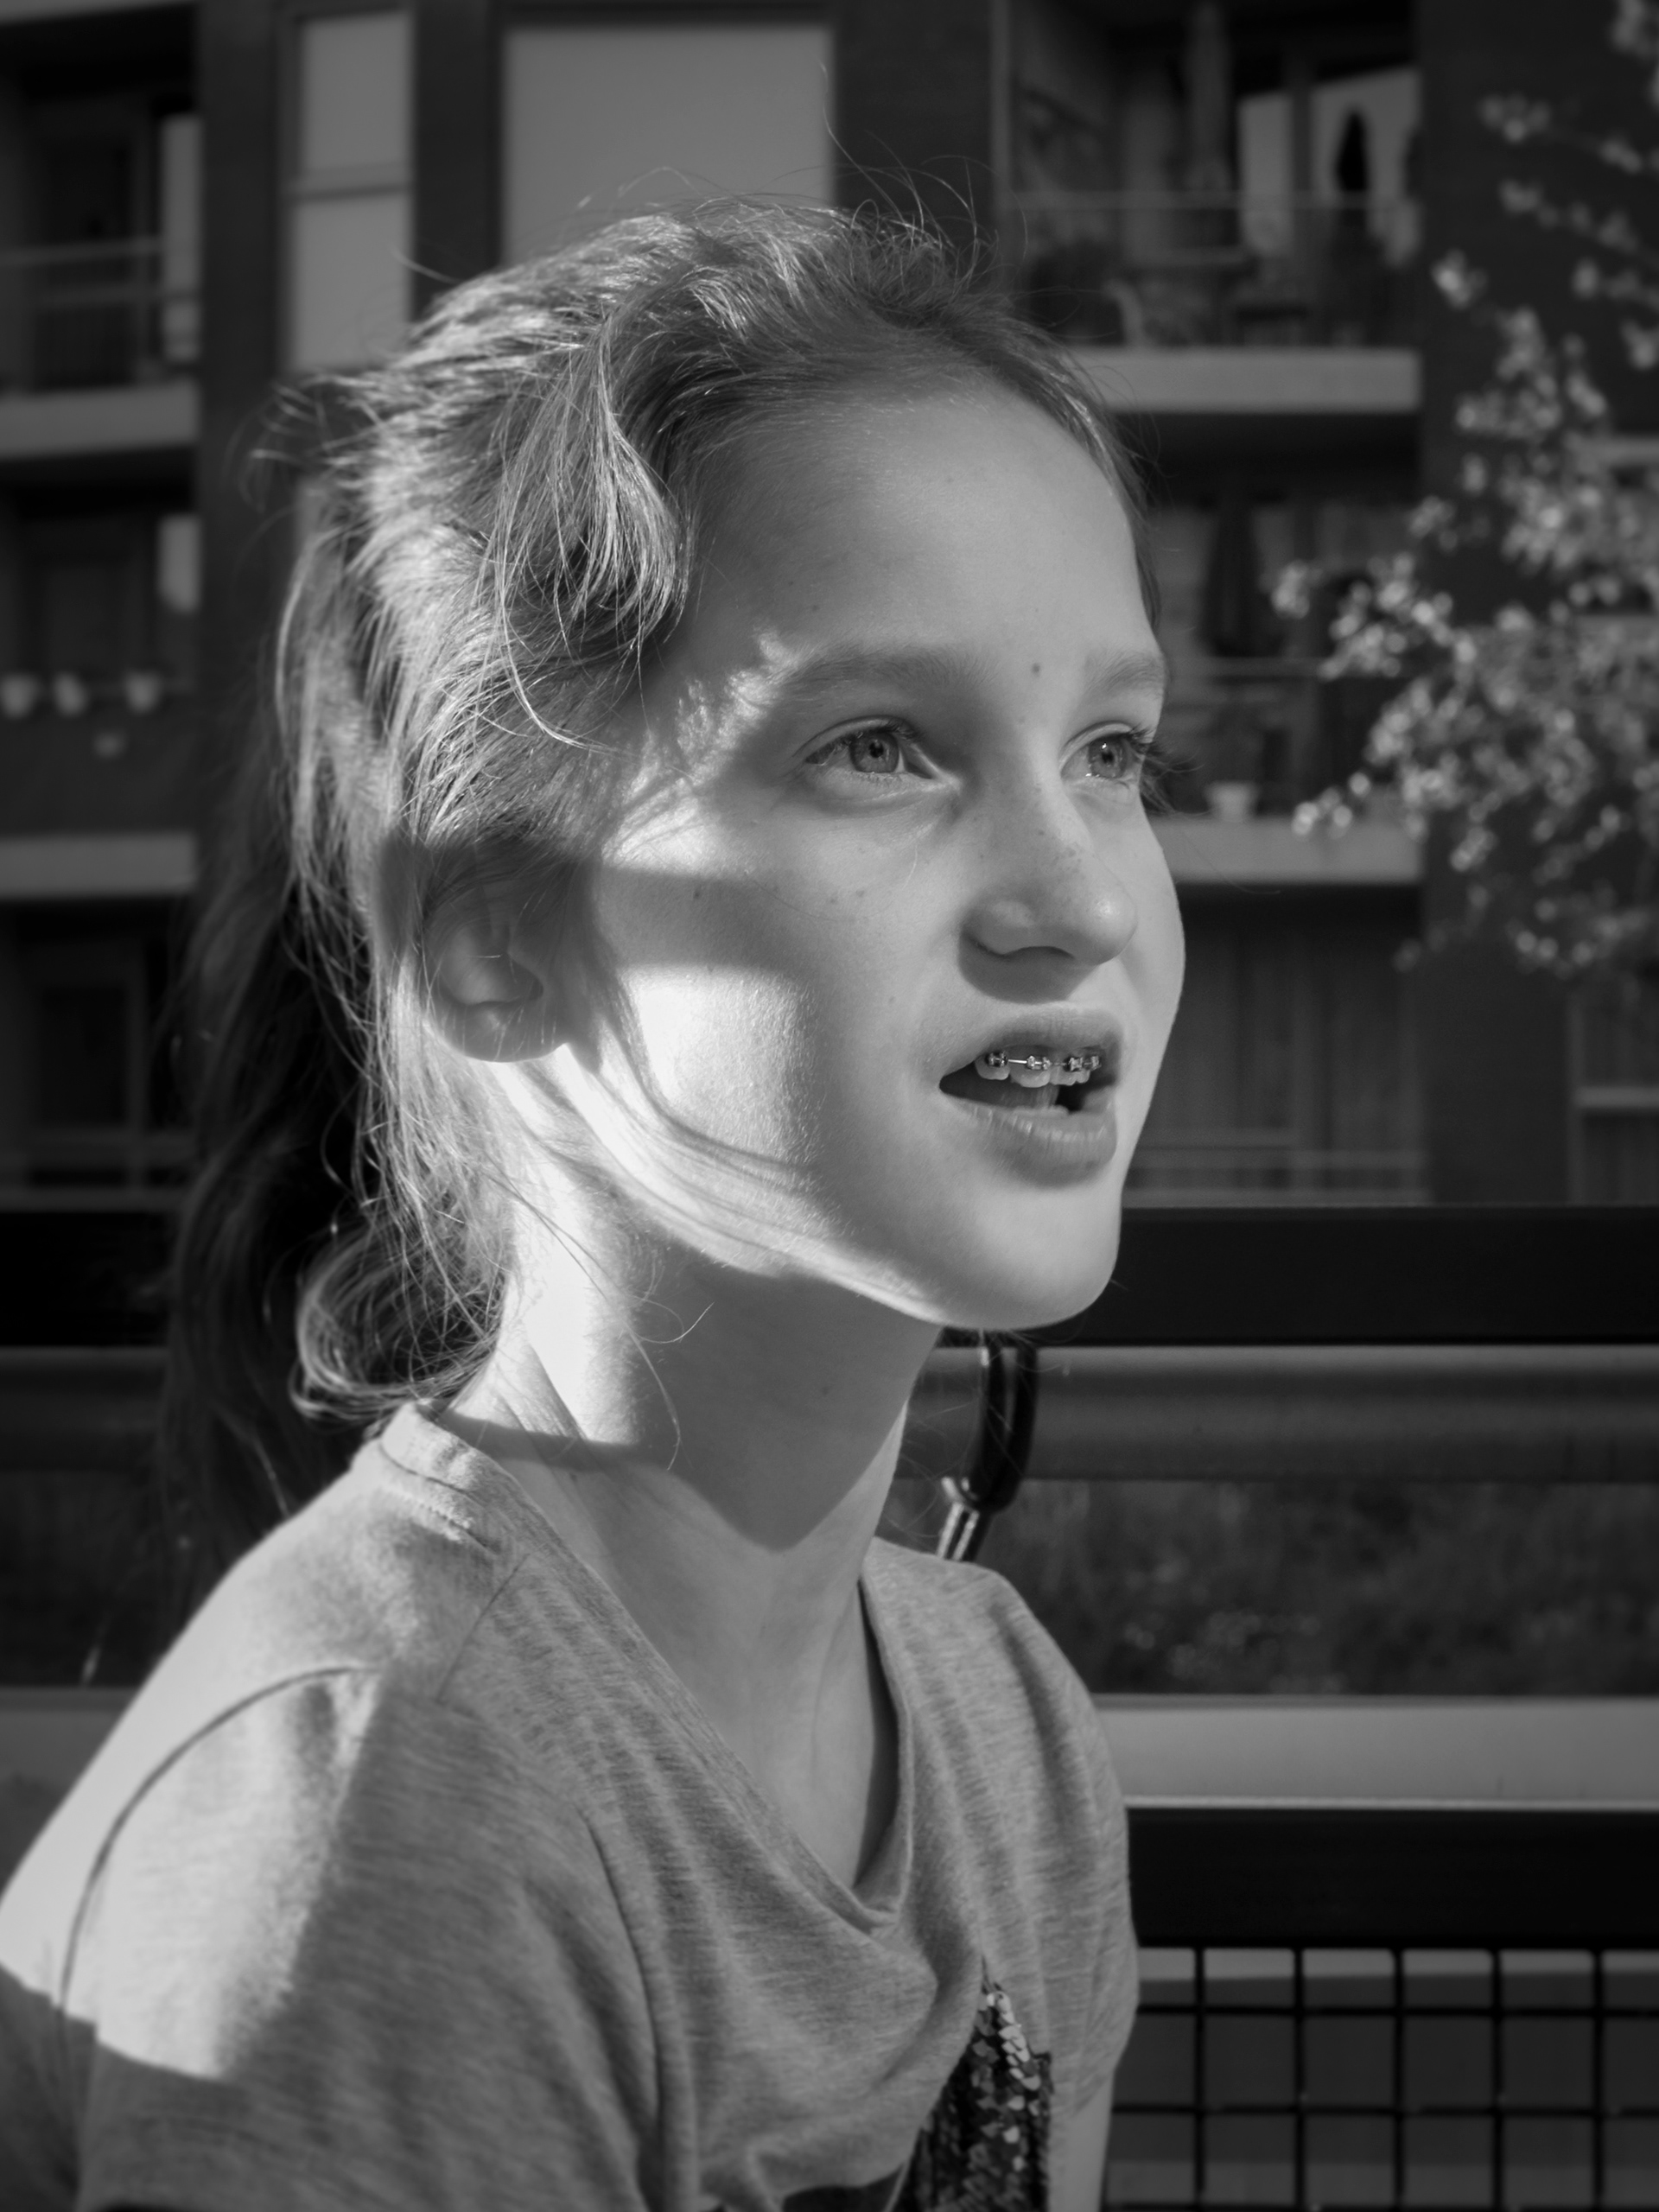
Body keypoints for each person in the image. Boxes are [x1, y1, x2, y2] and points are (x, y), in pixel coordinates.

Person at [0, 203, 1183, 2211]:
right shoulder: (392, 1807)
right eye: (881, 746)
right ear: (492, 940)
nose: (1079, 894)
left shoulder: (1003, 1723)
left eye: (1115, 748)